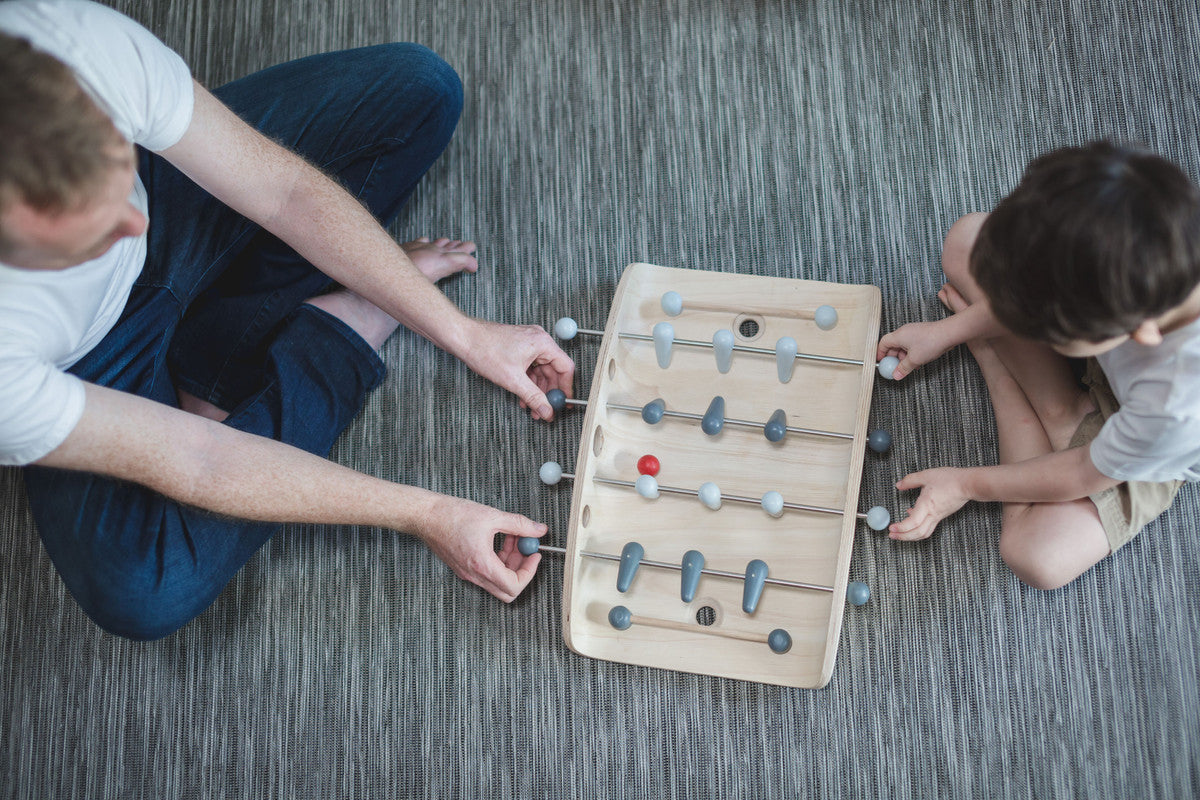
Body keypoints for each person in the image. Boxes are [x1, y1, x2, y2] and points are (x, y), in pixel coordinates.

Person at [0, 0, 574, 640]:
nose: (135, 226)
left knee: (418, 89)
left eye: (114, 175)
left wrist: (465, 334)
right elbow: (199, 461)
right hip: (83, 364)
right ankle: (346, 320)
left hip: (165, 184)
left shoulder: (64, 43)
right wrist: (428, 512)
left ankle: (210, 365)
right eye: (97, 228)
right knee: (145, 590)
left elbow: (285, 193)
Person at [877, 141, 1200, 589]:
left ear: (1140, 331)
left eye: (1048, 329)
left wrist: (966, 484)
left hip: (1140, 445)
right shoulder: (1145, 240)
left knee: (1035, 556)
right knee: (967, 240)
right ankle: (1063, 415)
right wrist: (946, 333)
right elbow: (1037, 291)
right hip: (1115, 353)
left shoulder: (1176, 409)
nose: (1024, 323)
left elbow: (1085, 472)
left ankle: (1022, 386)